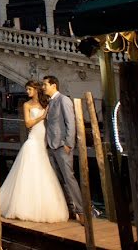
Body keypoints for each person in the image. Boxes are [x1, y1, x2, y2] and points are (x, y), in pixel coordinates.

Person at [0, 81, 69, 223]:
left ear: (36, 90)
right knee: (31, 171)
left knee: (44, 172)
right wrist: (42, 116)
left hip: (45, 140)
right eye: (27, 89)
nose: (27, 92)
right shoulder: (27, 105)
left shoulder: (47, 102)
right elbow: (28, 123)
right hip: (34, 139)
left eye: (29, 89)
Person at [43, 75, 84, 224]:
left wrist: (68, 143)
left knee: (69, 178)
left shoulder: (63, 100)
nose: (43, 87)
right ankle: (70, 209)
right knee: (60, 180)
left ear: (54, 85)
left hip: (61, 146)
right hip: (52, 146)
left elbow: (70, 122)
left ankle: (81, 211)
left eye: (45, 85)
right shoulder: (51, 101)